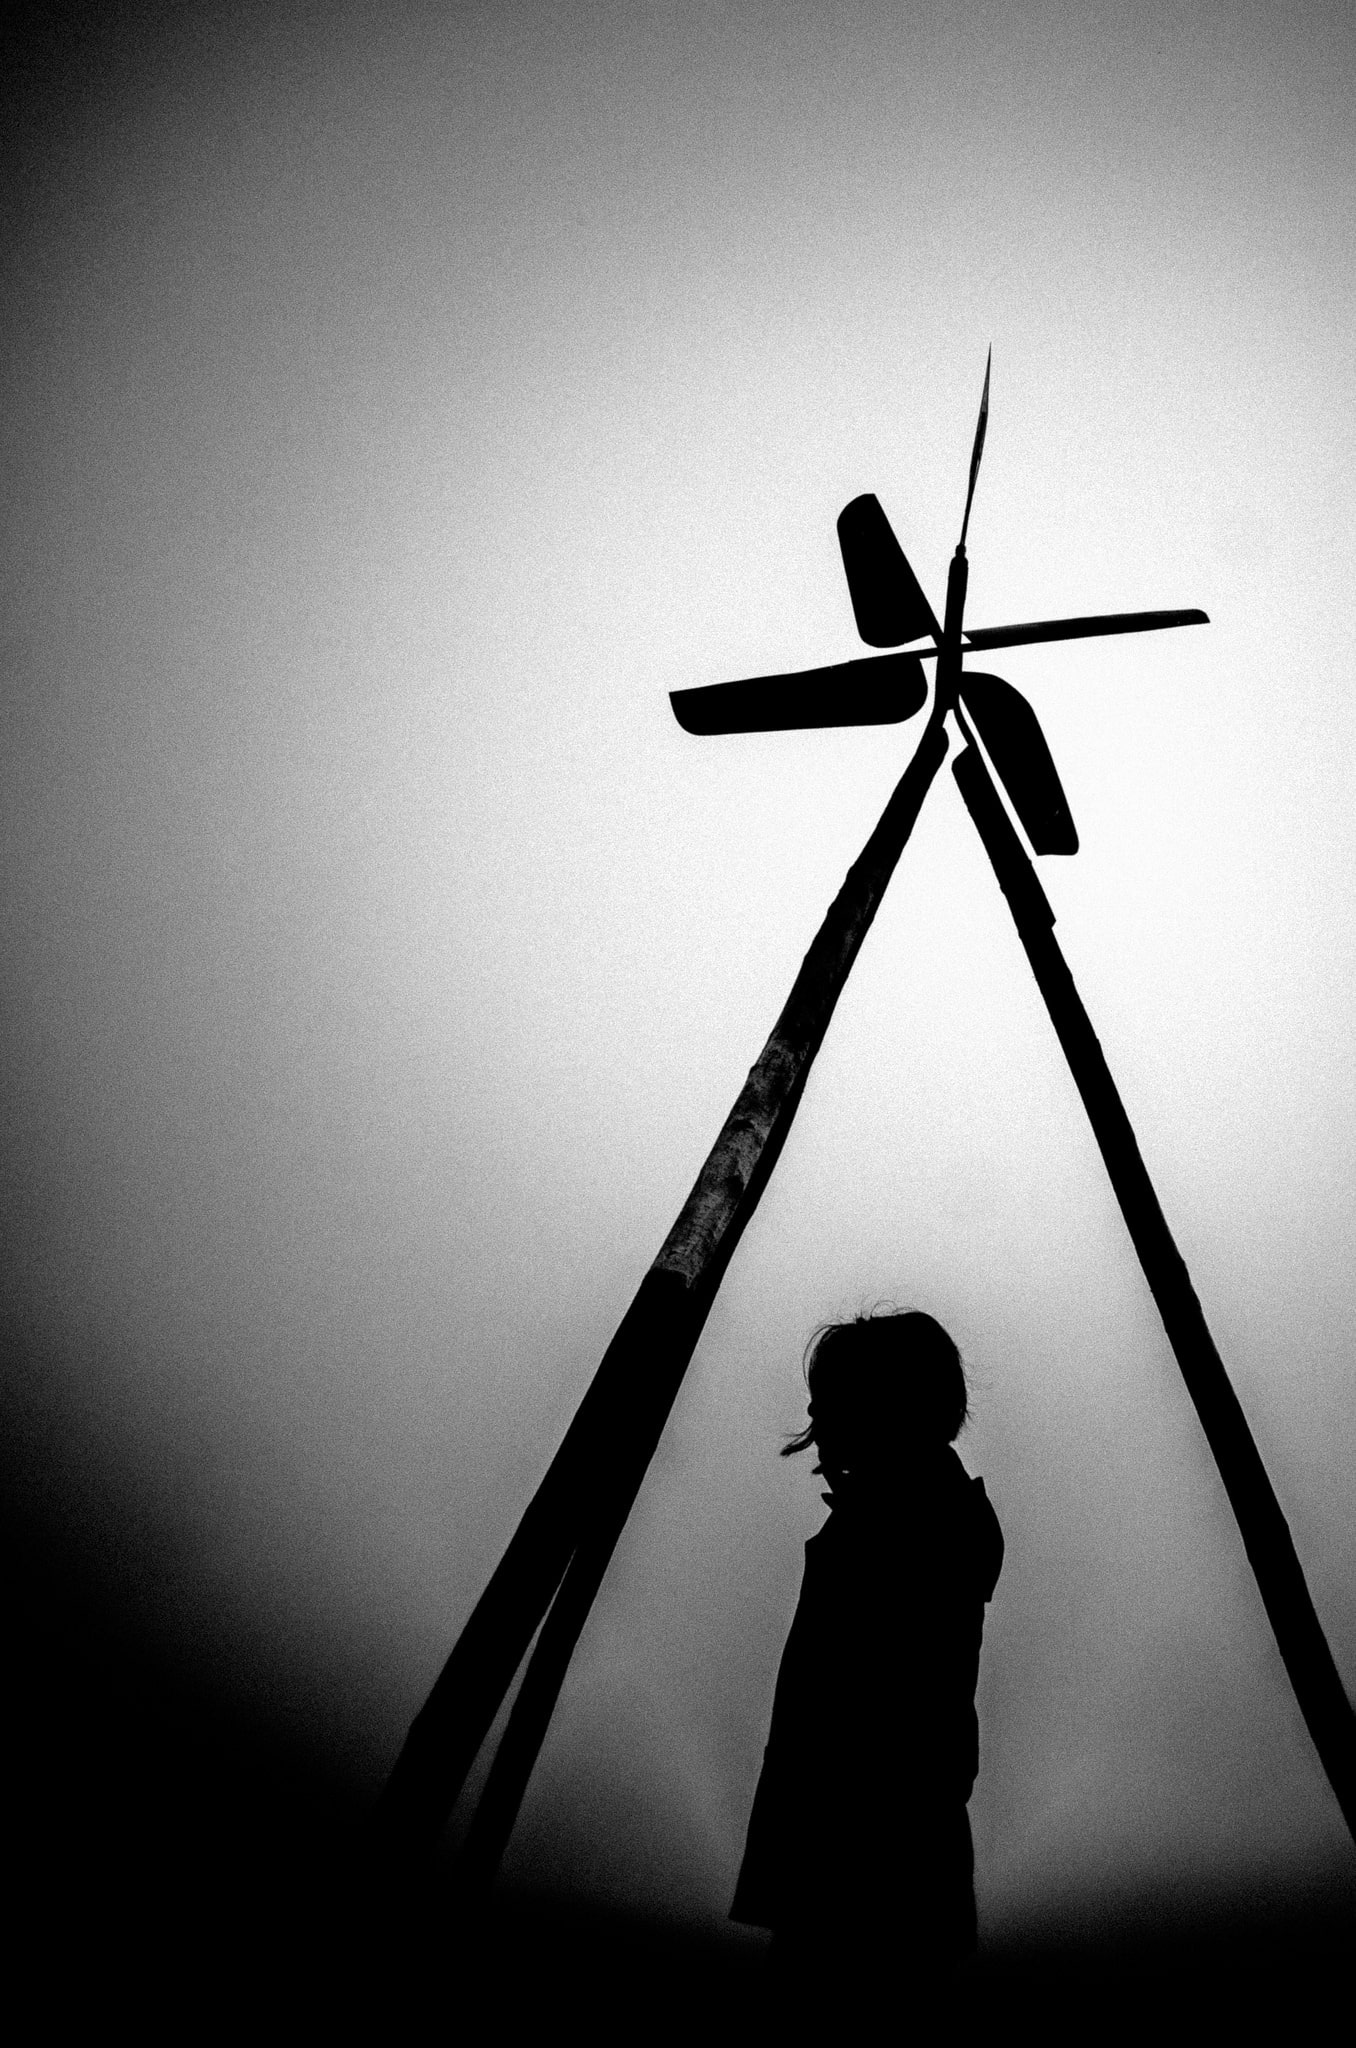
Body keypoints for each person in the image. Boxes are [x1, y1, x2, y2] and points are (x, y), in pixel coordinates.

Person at [730, 1307, 1004, 2015]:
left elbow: (873, 1716)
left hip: (866, 1863)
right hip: (880, 1858)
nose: (815, 1410)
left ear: (884, 1403)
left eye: (832, 1394)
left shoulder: (908, 1522)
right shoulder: (912, 1509)